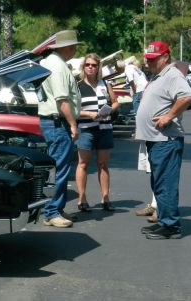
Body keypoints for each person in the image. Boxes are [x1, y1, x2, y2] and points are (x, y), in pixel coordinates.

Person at [136, 41, 191, 239]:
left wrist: (168, 116)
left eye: (153, 60)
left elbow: (186, 96)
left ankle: (170, 226)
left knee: (166, 183)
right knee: (159, 182)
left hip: (165, 139)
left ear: (165, 57)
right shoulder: (160, 75)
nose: (148, 63)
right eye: (148, 59)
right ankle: (164, 220)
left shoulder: (172, 74)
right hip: (157, 139)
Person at [38, 30, 82, 228]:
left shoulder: (50, 62)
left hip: (53, 121)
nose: (75, 49)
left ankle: (55, 209)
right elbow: (62, 100)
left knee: (58, 168)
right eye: (74, 46)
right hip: (58, 122)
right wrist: (73, 123)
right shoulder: (58, 66)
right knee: (60, 169)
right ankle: (52, 211)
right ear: (67, 47)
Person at [75, 53, 120, 212]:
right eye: (88, 64)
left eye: (94, 65)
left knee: (103, 163)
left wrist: (109, 110)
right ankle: (82, 198)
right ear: (83, 67)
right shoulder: (78, 86)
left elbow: (115, 103)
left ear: (98, 67)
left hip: (104, 128)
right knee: (83, 164)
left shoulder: (105, 84)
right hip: (86, 129)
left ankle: (106, 198)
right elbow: (73, 110)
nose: (90, 67)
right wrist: (89, 114)